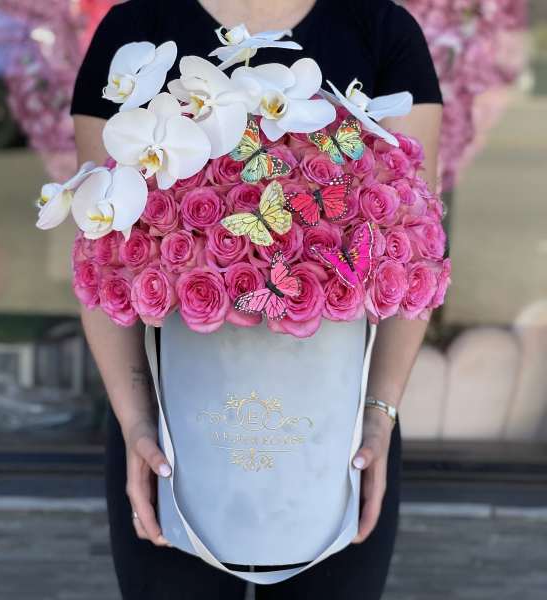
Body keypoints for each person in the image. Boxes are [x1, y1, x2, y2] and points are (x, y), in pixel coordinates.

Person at [70, 0, 443, 598]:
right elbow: (102, 242)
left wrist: (379, 413)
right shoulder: (136, 29)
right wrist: (136, 418)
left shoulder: (382, 30)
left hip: (339, 432)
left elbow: (411, 240)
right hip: (169, 429)